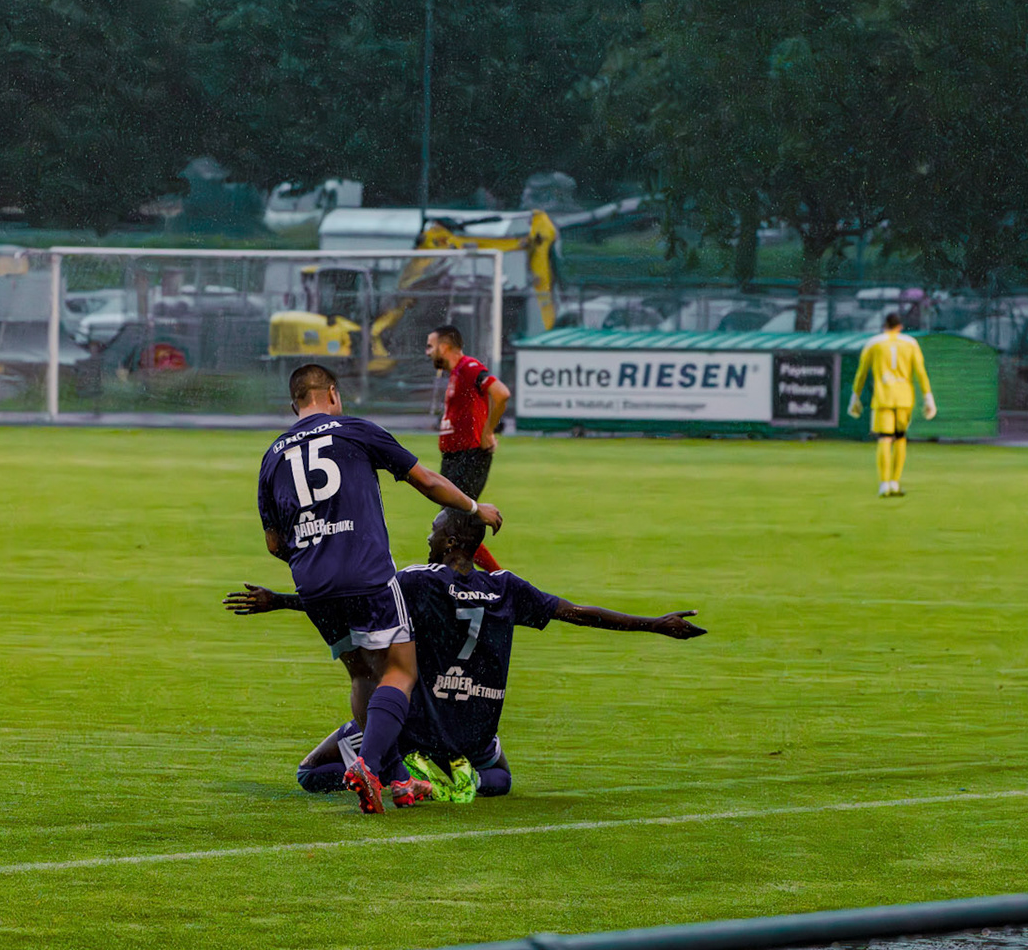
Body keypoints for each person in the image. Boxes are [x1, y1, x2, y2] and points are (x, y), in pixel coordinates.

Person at [226, 508, 705, 801]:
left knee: (311, 773)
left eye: (434, 531)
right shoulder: (507, 588)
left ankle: (402, 775)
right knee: (499, 777)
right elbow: (578, 613)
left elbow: (350, 600)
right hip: (472, 735)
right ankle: (454, 781)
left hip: (416, 728)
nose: (428, 538)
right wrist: (655, 624)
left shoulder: (418, 581)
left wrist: (280, 601)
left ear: (451, 542)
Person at [257, 363, 504, 814]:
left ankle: (399, 781)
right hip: (365, 573)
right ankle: (368, 767)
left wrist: (315, 556)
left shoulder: (272, 456)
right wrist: (475, 507)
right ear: (332, 393)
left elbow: (275, 543)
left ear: (295, 405)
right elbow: (426, 480)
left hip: (313, 582)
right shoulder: (355, 430)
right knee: (400, 670)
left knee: (361, 674)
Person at [426, 325, 509, 570]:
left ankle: (500, 579)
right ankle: (479, 578)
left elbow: (501, 393)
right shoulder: (456, 373)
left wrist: (488, 432)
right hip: (456, 458)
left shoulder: (469, 367)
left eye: (430, 346)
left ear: (444, 347)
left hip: (469, 457)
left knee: (454, 525)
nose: (427, 352)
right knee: (455, 526)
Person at [849, 312, 937, 497]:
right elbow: (920, 372)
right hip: (904, 398)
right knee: (900, 438)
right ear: (900, 326)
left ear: (884, 326)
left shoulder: (874, 343)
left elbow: (861, 372)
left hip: (883, 397)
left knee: (884, 438)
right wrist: (928, 397)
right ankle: (895, 483)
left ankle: (884, 484)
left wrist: (855, 397)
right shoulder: (910, 343)